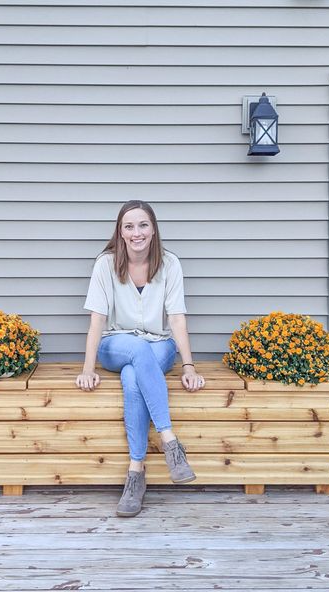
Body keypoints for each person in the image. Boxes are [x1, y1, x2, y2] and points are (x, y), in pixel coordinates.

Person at [76, 200, 205, 517]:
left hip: (159, 346)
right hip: (115, 344)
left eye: (143, 225)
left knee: (134, 376)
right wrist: (87, 369)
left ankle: (136, 474)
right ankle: (170, 441)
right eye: (129, 226)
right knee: (135, 350)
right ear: (120, 232)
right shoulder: (106, 264)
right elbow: (96, 322)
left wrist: (188, 365)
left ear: (153, 228)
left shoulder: (170, 264)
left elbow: (176, 321)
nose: (137, 233)